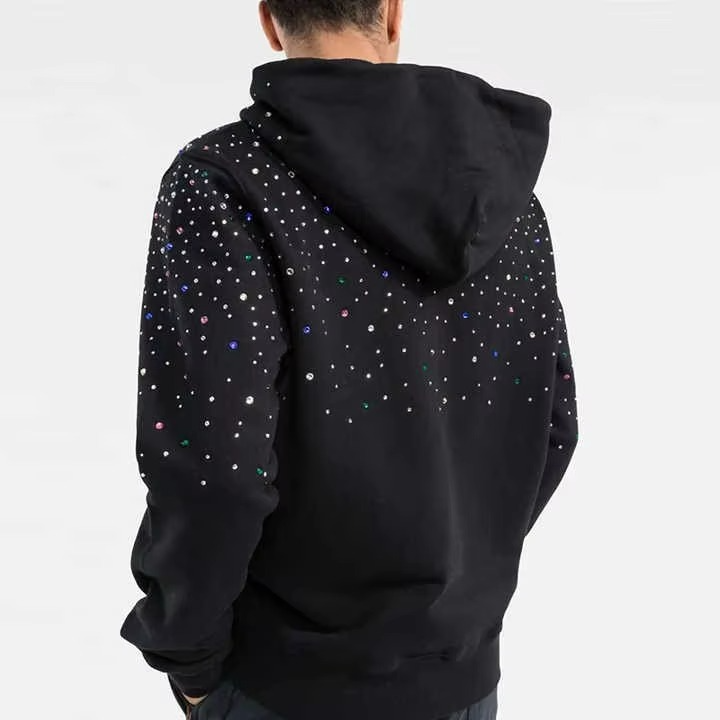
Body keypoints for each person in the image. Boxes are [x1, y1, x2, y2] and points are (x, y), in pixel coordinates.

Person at [119, 1, 579, 718]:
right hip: (463, 679)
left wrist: (191, 657)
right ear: (392, 13)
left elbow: (216, 470)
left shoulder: (225, 184)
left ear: (270, 20)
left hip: (285, 684)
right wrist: (453, 595)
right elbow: (551, 426)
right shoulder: (508, 198)